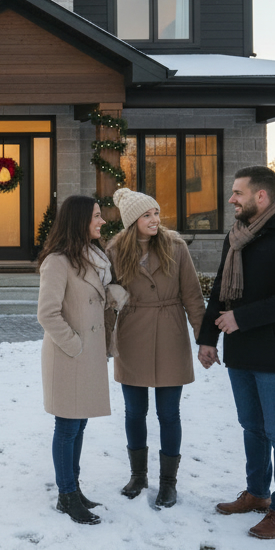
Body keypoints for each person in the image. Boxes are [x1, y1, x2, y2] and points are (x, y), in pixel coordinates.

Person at [196, 165, 275, 539]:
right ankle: (257, 494)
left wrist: (241, 319)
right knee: (252, 427)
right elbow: (219, 290)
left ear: (260, 196)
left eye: (237, 193)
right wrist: (207, 338)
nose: (231, 199)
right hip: (241, 351)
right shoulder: (235, 238)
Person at [107, 187, 205, 509]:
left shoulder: (175, 247)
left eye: (156, 214)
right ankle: (138, 475)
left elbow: (192, 294)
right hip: (132, 333)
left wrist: (203, 338)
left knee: (168, 413)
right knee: (135, 411)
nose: (154, 220)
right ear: (133, 220)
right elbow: (107, 299)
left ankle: (168, 483)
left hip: (170, 332)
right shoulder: (115, 250)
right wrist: (105, 340)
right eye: (147, 215)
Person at [36, 194, 127, 525]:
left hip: (88, 354)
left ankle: (73, 487)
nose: (102, 221)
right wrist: (75, 345)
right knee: (67, 424)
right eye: (96, 216)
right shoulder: (57, 262)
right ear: (78, 221)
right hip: (69, 355)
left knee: (79, 422)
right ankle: (66, 495)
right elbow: (47, 313)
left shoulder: (93, 257)